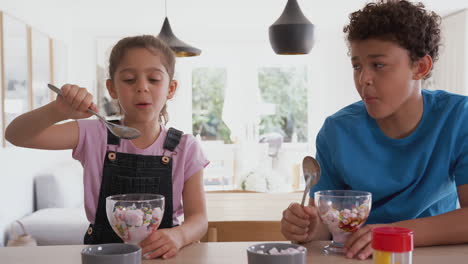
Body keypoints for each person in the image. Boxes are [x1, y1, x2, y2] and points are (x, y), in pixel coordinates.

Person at [280, 0, 468, 260]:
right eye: (357, 66)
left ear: (420, 67)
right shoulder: (337, 131)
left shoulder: (459, 117)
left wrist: (394, 233)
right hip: (357, 257)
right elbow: (329, 224)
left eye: (378, 65)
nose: (363, 79)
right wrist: (311, 228)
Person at [5, 35, 209, 259]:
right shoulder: (94, 135)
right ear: (112, 88)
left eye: (153, 79)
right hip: (102, 257)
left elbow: (198, 220)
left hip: (163, 256)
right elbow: (15, 135)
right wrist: (57, 110)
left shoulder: (186, 147)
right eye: (129, 79)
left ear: (171, 88)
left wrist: (179, 236)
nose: (142, 87)